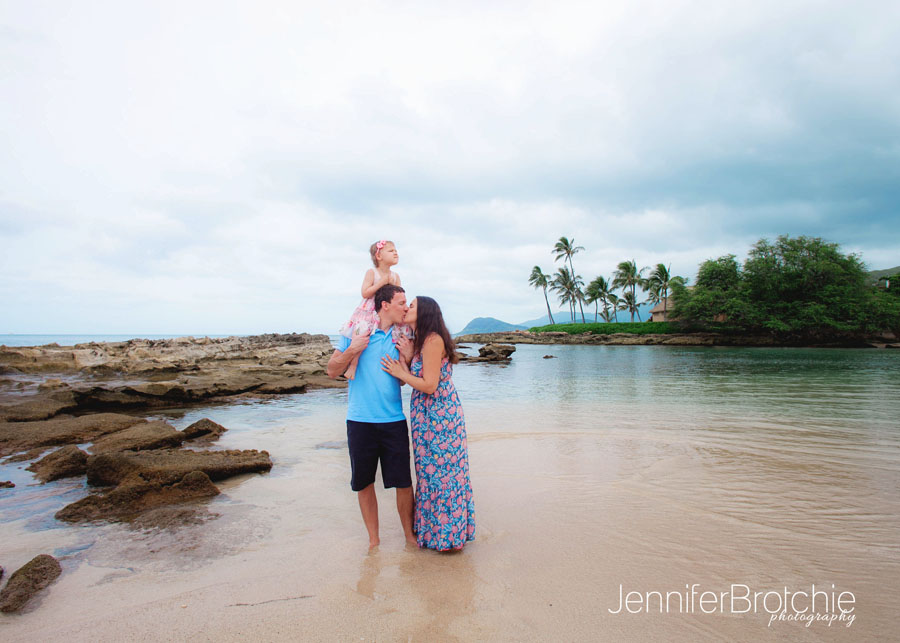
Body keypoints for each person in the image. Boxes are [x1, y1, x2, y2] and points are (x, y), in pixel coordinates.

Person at [381, 296, 476, 551]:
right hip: (427, 417)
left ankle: (450, 539)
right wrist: (409, 357)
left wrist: (401, 373)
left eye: (411, 305)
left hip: (441, 418)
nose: (407, 309)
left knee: (444, 476)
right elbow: (422, 375)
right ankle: (436, 535)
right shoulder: (424, 341)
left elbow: (430, 385)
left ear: (424, 312)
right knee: (429, 474)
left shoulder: (433, 340)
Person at [327, 284, 417, 549]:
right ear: (385, 305)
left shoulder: (403, 336)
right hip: (360, 421)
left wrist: (409, 356)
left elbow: (406, 381)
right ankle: (374, 540)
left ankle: (409, 536)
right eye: (401, 303)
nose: (406, 307)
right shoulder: (358, 331)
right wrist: (353, 349)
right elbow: (332, 371)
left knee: (403, 482)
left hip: (394, 421)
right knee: (364, 483)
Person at [338, 240, 412, 380]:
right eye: (391, 251)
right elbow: (365, 293)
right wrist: (382, 283)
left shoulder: (395, 276)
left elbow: (399, 293)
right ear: (379, 256)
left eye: (396, 250)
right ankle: (353, 365)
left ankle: (403, 366)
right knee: (362, 337)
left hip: (387, 312)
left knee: (401, 335)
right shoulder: (372, 272)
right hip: (370, 310)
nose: (395, 252)